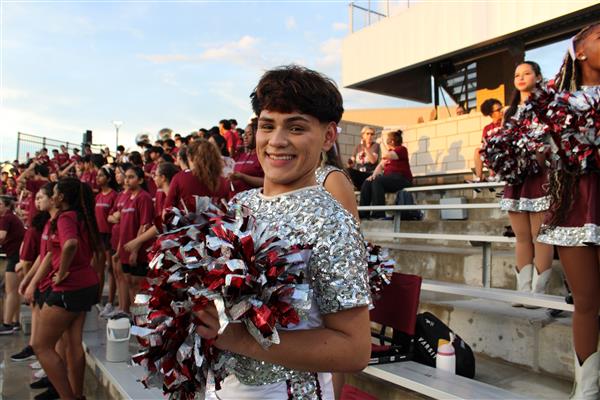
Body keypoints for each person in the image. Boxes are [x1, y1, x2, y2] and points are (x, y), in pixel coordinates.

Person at [194, 65, 371, 399]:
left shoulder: (333, 221)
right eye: (267, 126)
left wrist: (238, 338)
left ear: (328, 136)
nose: (276, 141)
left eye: (296, 127)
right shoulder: (241, 203)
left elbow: (354, 349)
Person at [534, 24, 600, 399]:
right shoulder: (559, 105)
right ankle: (587, 389)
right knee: (586, 303)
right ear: (581, 52)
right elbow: (543, 154)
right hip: (576, 204)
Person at [31, 178, 101, 400]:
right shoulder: (81, 216)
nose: (52, 196)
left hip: (70, 287)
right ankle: (77, 395)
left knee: (41, 346)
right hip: (85, 284)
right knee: (73, 343)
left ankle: (67, 397)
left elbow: (70, 244)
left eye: (54, 192)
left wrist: (61, 272)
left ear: (61, 197)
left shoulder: (65, 217)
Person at [496, 61, 554, 303]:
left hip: (539, 175)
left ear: (538, 77)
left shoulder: (547, 105)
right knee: (521, 236)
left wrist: (541, 154)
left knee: (539, 235)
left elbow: (553, 139)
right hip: (515, 177)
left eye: (527, 73)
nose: (520, 78)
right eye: (517, 74)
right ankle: (523, 292)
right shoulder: (509, 112)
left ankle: (538, 293)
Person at [117, 166, 154, 307]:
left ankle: (141, 317)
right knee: (131, 283)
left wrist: (135, 250)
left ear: (140, 180)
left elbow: (144, 225)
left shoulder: (144, 198)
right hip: (125, 250)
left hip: (139, 251)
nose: (127, 180)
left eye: (131, 177)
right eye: (126, 177)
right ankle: (134, 317)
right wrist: (119, 251)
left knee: (139, 286)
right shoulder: (127, 197)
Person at [164, 140, 231, 212]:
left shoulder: (180, 178)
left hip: (188, 219)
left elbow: (167, 211)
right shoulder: (224, 181)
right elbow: (229, 210)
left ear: (190, 157)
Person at [359, 130, 413, 220]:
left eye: (388, 139)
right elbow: (380, 166)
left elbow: (386, 155)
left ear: (392, 141)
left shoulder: (401, 149)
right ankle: (363, 213)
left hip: (402, 179)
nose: (386, 141)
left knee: (378, 181)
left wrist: (381, 143)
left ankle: (378, 214)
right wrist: (373, 176)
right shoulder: (390, 152)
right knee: (367, 182)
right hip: (390, 179)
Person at [95, 166, 119, 317]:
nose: (98, 178)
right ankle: (97, 300)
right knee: (99, 268)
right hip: (99, 235)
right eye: (97, 175)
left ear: (109, 178)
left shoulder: (114, 195)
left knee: (111, 268)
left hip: (110, 235)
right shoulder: (98, 196)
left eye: (101, 175)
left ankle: (110, 301)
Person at [0, 196, 25, 334]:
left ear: (7, 206)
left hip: (15, 255)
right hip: (17, 254)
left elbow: (1, 236)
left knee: (10, 291)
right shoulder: (10, 217)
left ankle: (7, 324)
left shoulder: (6, 218)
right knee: (14, 291)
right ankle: (15, 322)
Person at [473, 98, 503, 182]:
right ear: (491, 114)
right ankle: (479, 178)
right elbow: (483, 144)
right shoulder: (487, 128)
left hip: (504, 152)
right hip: (492, 154)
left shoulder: (506, 123)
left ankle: (493, 175)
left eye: (501, 108)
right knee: (478, 150)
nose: (501, 111)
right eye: (498, 110)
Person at [230, 120, 264, 194]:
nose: (245, 137)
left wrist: (243, 177)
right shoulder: (240, 156)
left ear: (258, 136)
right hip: (234, 199)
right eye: (244, 134)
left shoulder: (263, 157)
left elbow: (267, 182)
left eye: (249, 134)